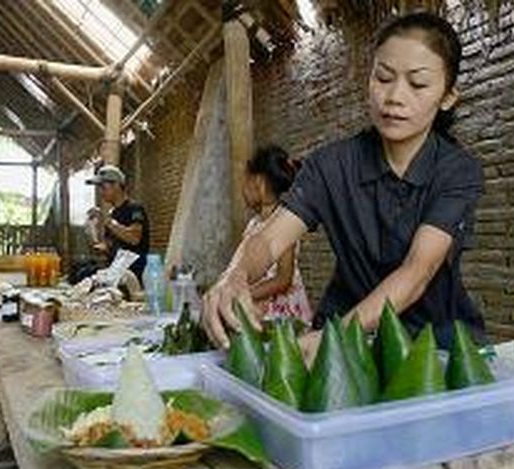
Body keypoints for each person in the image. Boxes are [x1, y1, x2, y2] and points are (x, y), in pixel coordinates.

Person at [203, 12, 485, 360]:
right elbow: (268, 238)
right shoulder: (330, 165)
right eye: (383, 78)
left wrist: (331, 339)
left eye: (418, 84)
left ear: (447, 97)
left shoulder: (456, 171)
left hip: (434, 343)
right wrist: (235, 275)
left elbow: (417, 273)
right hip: (342, 334)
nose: (395, 96)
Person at [242, 146, 313, 324]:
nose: (242, 188)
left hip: (282, 313)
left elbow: (283, 279)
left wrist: (242, 294)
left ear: (259, 182)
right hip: (261, 307)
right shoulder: (255, 223)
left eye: (245, 181)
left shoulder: (283, 223)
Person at [86, 164, 150, 283]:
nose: (101, 192)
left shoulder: (135, 208)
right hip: (115, 271)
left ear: (116, 185)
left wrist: (107, 220)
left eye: (103, 187)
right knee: (82, 272)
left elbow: (134, 239)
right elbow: (110, 247)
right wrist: (93, 236)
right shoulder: (112, 213)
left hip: (131, 275)